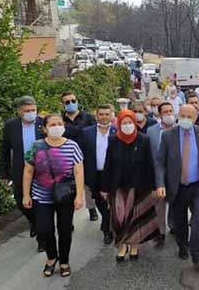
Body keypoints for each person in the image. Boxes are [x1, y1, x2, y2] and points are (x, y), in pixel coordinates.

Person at [22, 114, 84, 278]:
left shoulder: (72, 146)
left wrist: (79, 195)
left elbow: (78, 171)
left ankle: (64, 261)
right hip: (41, 196)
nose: (56, 127)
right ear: (44, 128)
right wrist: (26, 194)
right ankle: (51, 257)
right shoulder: (36, 146)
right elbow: (28, 171)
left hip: (65, 196)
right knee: (44, 229)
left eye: (59, 124)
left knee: (64, 229)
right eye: (52, 124)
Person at [156, 105, 199, 270]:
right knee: (180, 221)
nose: (186, 119)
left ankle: (197, 253)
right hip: (178, 187)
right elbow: (160, 162)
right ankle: (182, 245)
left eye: (190, 116)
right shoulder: (168, 136)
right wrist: (160, 184)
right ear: (178, 116)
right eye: (183, 115)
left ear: (195, 118)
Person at [100, 109, 159, 263]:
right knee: (119, 218)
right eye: (124, 123)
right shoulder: (113, 140)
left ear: (134, 123)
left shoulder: (143, 140)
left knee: (135, 217)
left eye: (130, 122)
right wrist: (105, 188)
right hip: (117, 186)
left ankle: (134, 245)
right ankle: (122, 244)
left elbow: (149, 165)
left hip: (138, 186)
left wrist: (153, 187)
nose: (127, 126)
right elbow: (108, 164)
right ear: (119, 124)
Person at [0, 96, 44, 252]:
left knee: (39, 203)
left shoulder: (42, 123)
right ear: (19, 112)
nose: (31, 113)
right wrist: (3, 173)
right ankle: (34, 222)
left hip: (42, 170)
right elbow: (5, 150)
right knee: (21, 201)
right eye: (26, 111)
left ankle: (41, 238)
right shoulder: (11, 126)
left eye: (33, 110)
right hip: (20, 169)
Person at [78, 104, 117, 245]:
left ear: (112, 115)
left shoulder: (117, 131)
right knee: (100, 203)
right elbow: (80, 155)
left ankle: (108, 228)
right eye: (101, 114)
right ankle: (107, 226)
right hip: (95, 176)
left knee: (113, 203)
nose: (104, 117)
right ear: (96, 115)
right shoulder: (86, 132)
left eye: (107, 114)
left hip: (113, 175)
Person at [60, 91, 98, 221]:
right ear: (62, 105)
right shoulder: (60, 120)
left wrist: (70, 129)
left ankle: (92, 208)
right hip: (66, 157)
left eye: (73, 101)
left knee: (87, 185)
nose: (71, 104)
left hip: (86, 155)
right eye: (67, 102)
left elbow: (93, 132)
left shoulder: (88, 117)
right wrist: (79, 130)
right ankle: (68, 217)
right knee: (68, 187)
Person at [148, 102, 176, 248]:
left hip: (176, 173)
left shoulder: (179, 128)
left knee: (175, 200)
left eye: (170, 111)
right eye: (165, 112)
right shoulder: (151, 131)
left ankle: (173, 225)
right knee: (159, 204)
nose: (169, 114)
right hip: (157, 172)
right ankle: (161, 232)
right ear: (159, 114)